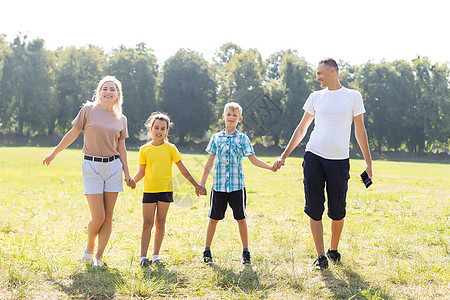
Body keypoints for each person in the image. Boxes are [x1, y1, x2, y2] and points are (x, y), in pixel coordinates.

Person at [274, 58, 373, 270]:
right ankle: (321, 257)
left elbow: (360, 131)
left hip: (339, 161)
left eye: (320, 73)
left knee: (337, 210)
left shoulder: (353, 96)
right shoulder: (315, 97)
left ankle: (333, 249)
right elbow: (301, 129)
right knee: (314, 208)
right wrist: (284, 155)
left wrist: (368, 162)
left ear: (332, 71)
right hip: (314, 156)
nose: (317, 77)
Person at [43, 76, 133, 267]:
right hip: (91, 166)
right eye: (105, 88)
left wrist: (127, 173)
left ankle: (99, 257)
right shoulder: (88, 111)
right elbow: (73, 134)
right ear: (99, 91)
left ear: (118, 94)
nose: (108, 92)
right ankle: (90, 245)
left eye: (112, 89)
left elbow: (122, 148)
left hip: (114, 167)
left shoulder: (121, 119)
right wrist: (54, 153)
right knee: (98, 217)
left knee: (109, 215)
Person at [200, 102, 277, 265]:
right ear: (223, 116)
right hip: (219, 187)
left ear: (240, 119)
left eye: (235, 115)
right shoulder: (216, 138)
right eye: (228, 114)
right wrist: (202, 183)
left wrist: (270, 167)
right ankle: (207, 250)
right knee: (213, 218)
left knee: (241, 219)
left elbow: (253, 159)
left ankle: (246, 252)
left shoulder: (243, 139)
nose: (231, 117)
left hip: (237, 187)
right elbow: (209, 162)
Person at [128, 112, 206, 267]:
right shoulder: (144, 149)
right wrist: (133, 181)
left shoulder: (171, 148)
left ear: (167, 131)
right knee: (147, 223)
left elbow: (183, 170)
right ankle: (143, 257)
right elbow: (141, 171)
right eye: (156, 127)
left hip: (165, 191)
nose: (159, 131)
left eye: (163, 128)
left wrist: (196, 185)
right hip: (149, 191)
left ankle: (156, 255)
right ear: (151, 128)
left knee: (160, 222)